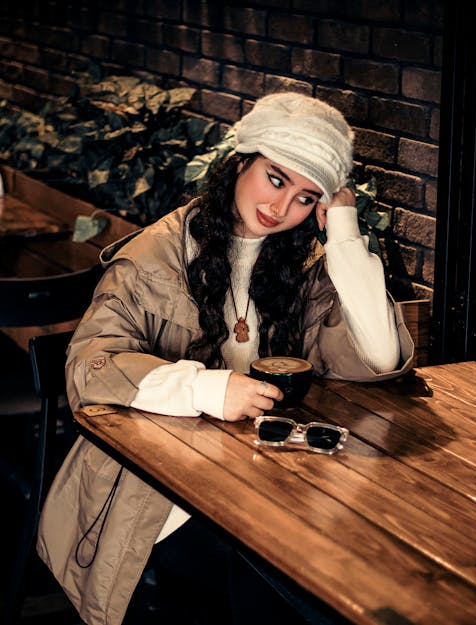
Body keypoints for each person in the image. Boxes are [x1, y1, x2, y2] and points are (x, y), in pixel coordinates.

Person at [36, 92, 414, 625]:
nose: (281, 209)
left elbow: (379, 356)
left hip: (267, 476)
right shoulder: (157, 254)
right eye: (275, 179)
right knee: (277, 568)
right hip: (154, 493)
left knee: (343, 557)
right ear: (240, 162)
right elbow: (89, 365)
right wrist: (209, 388)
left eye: (307, 198)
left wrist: (346, 237)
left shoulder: (300, 263)